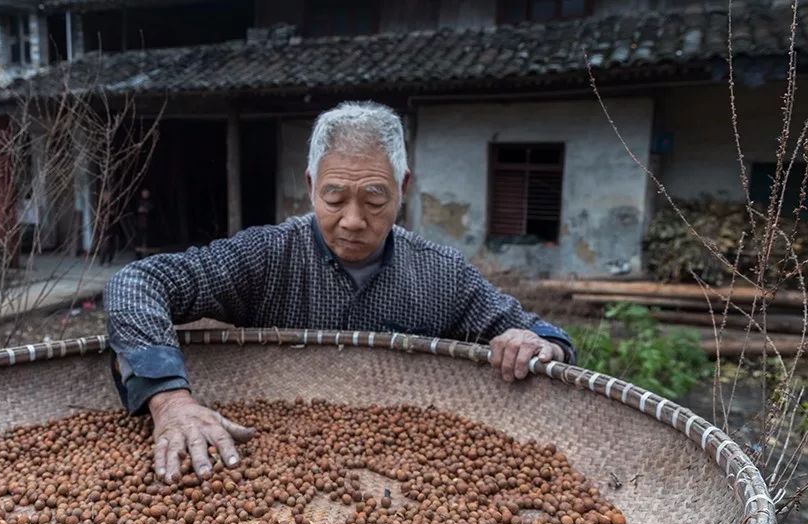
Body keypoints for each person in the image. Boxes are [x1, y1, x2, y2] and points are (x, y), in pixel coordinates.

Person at [105, 101, 574, 483]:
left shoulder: (440, 275)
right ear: (311, 187)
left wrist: (537, 343)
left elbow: (539, 335)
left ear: (402, 187)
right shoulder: (266, 256)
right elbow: (136, 284)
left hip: (403, 472)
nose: (352, 220)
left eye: (373, 200)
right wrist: (170, 400)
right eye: (334, 199)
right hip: (271, 464)